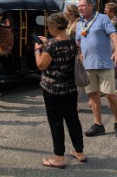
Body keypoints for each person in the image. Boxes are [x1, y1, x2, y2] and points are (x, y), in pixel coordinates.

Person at [34, 12, 85, 169]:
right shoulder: (72, 41)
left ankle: (58, 157)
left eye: (49, 27)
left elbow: (41, 65)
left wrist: (37, 50)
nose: (48, 29)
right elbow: (61, 47)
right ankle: (79, 151)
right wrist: (48, 42)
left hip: (53, 89)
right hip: (70, 88)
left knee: (56, 121)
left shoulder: (52, 46)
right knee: (72, 119)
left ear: (53, 27)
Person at [76, 0, 117, 140]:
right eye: (79, 6)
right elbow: (79, 42)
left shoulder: (102, 18)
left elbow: (114, 35)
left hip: (104, 64)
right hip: (88, 66)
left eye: (83, 5)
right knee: (93, 95)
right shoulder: (80, 23)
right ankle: (98, 124)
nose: (80, 8)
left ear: (91, 6)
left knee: (110, 94)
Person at [103, 2, 117, 93]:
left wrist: (112, 37)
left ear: (113, 12)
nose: (104, 12)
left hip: (112, 47)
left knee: (111, 67)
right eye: (104, 10)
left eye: (106, 10)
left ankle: (108, 88)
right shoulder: (105, 21)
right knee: (112, 67)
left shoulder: (116, 22)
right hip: (105, 46)